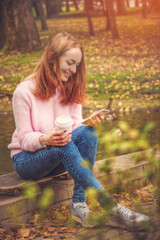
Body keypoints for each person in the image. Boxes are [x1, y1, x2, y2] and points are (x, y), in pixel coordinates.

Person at [8, 32, 149, 228]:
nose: (73, 70)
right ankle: (110, 206)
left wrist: (87, 123)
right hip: (27, 159)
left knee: (88, 133)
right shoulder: (24, 91)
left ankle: (79, 204)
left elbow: (74, 128)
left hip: (58, 153)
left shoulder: (70, 87)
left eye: (77, 65)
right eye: (70, 63)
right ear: (52, 57)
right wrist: (46, 139)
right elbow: (24, 139)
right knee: (62, 144)